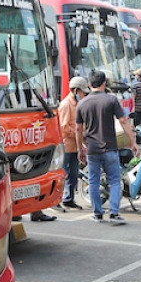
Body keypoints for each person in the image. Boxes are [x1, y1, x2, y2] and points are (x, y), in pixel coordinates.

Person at [76, 70, 138, 223]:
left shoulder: (81, 104)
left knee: (94, 181)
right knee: (115, 180)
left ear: (89, 85)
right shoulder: (111, 100)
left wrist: (79, 149)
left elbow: (78, 129)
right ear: (104, 83)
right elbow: (123, 121)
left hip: (92, 149)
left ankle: (97, 213)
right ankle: (114, 213)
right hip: (110, 147)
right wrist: (133, 141)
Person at [56, 76, 88, 211]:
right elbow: (63, 127)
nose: (84, 95)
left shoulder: (78, 104)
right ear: (75, 90)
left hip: (75, 146)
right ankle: (56, 200)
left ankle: (69, 199)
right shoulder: (66, 105)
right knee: (64, 174)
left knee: (74, 174)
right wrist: (79, 134)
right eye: (82, 92)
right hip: (67, 146)